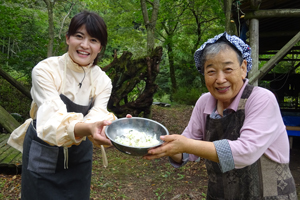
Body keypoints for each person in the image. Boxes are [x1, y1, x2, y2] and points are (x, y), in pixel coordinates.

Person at [144, 32, 298, 199]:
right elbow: (186, 151)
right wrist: (160, 145)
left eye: (228, 69)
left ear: (243, 68)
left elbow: (246, 152)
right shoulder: (204, 102)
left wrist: (186, 145)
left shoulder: (261, 99)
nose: (220, 79)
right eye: (211, 71)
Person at [8, 10, 128, 200]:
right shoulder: (45, 70)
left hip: (79, 156)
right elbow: (54, 119)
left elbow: (97, 114)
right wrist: (89, 127)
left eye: (93, 40)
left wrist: (109, 128)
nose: (84, 45)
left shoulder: (102, 80)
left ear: (100, 48)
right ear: (67, 38)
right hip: (43, 147)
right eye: (79, 36)